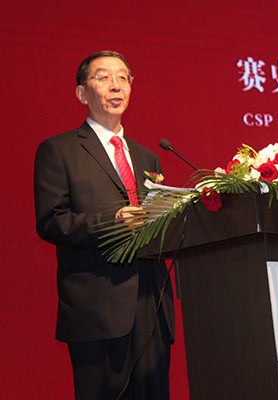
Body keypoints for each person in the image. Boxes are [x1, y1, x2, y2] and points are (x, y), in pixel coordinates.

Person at [34, 50, 174, 400]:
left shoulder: (148, 156)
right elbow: (51, 221)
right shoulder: (59, 150)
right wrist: (111, 222)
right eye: (103, 77)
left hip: (151, 303)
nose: (116, 85)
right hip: (97, 306)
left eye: (123, 77)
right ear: (82, 93)